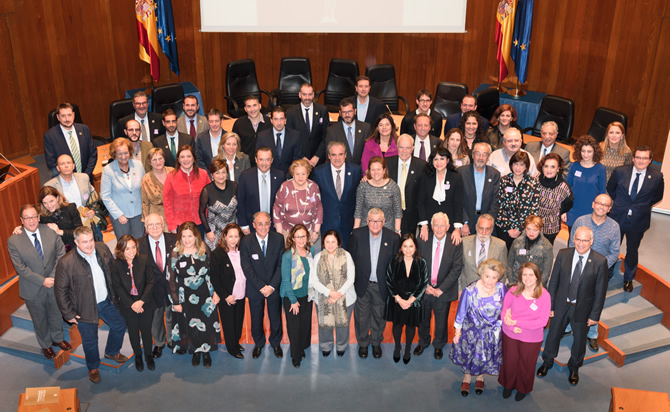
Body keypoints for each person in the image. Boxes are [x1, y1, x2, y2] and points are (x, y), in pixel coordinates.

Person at [55, 226, 129, 383]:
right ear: (76, 242)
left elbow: (113, 272)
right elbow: (60, 291)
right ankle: (93, 367)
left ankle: (112, 351)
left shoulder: (102, 248)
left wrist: (118, 294)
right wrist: (68, 314)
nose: (89, 245)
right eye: (84, 242)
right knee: (90, 341)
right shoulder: (66, 262)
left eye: (91, 240)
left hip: (107, 301)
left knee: (120, 325)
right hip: (84, 308)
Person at [537, 227, 609, 386]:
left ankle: (574, 367)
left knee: (579, 341)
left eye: (585, 240)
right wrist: (550, 306)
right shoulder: (563, 254)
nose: (581, 244)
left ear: (591, 241)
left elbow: (600, 292)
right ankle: (547, 361)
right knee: (553, 335)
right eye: (578, 239)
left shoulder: (600, 261)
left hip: (583, 309)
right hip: (561, 305)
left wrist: (594, 315)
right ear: (573, 239)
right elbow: (553, 282)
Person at [8, 204, 70, 360]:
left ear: (38, 217)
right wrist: (42, 281)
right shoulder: (14, 240)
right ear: (21, 220)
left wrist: (53, 277)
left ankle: (58, 338)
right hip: (32, 286)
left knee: (56, 313)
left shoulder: (49, 231)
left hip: (54, 282)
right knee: (39, 318)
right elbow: (20, 268)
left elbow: (61, 253)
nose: (31, 221)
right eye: (27, 218)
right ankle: (46, 344)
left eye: (34, 217)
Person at [607, 145, 664, 292]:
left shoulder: (657, 177)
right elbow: (611, 188)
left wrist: (641, 206)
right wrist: (621, 203)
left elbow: (657, 197)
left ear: (650, 160)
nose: (641, 161)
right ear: (633, 158)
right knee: (612, 247)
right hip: (618, 217)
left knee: (632, 250)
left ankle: (628, 278)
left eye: (645, 158)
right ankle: (607, 273)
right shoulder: (620, 171)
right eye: (638, 157)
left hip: (639, 220)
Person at [568, 194, 620, 351]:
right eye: (599, 203)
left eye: (605, 205)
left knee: (595, 302)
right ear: (593, 204)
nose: (601, 207)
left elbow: (614, 252)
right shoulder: (580, 221)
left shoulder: (614, 227)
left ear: (609, 209)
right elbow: (571, 244)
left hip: (599, 273)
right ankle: (567, 327)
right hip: (578, 268)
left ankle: (591, 334)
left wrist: (600, 268)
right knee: (571, 297)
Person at [348, 209, 400, 359]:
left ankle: (376, 342)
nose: (375, 224)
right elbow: (350, 260)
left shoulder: (393, 238)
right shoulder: (356, 235)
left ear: (384, 222)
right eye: (372, 220)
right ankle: (363, 344)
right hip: (362, 284)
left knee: (379, 316)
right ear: (367, 221)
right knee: (361, 317)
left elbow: (396, 265)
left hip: (382, 285)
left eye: (378, 221)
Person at [450, 259, 506, 397]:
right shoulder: (470, 290)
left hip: (491, 333)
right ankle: (467, 377)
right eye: (487, 276)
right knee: (470, 355)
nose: (490, 281)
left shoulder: (501, 288)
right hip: (472, 331)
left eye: (494, 277)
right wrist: (457, 333)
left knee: (484, 355)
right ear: (481, 274)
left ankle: (480, 377)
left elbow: (507, 309)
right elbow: (461, 313)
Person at [167, 221, 220, 368]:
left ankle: (206, 351)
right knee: (190, 325)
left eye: (190, 236)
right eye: (184, 236)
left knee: (206, 323)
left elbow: (214, 272)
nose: (187, 240)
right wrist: (175, 301)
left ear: (196, 236)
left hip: (205, 295)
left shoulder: (204, 249)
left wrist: (216, 292)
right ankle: (195, 351)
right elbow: (170, 279)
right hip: (185, 296)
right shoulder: (175, 252)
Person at [499, 262, 551, 401]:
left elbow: (542, 322)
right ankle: (508, 385)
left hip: (531, 337)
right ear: (520, 277)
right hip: (510, 334)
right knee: (510, 362)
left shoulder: (544, 295)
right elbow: (504, 312)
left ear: (537, 277)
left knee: (526, 364)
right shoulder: (513, 291)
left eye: (531, 275)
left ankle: (522, 388)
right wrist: (511, 326)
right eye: (524, 275)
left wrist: (517, 323)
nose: (527, 278)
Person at [415, 212, 463, 360]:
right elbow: (416, 264)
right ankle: (423, 342)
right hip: (425, 289)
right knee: (423, 319)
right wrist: (425, 286)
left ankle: (438, 345)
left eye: (442, 225)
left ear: (448, 227)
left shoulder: (455, 242)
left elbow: (456, 268)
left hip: (444, 290)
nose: (439, 229)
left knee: (441, 321)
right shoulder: (422, 239)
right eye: (436, 225)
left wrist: (441, 289)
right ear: (431, 226)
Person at [240, 212, 285, 359]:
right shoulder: (246, 241)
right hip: (255, 288)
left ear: (270, 224)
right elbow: (246, 267)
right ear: (253, 225)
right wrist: (261, 286)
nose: (263, 227)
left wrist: (271, 286)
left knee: (275, 317)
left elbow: (281, 264)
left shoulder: (279, 239)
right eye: (260, 224)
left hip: (274, 286)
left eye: (266, 223)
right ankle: (258, 344)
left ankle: (276, 344)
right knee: (256, 318)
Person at [110, 235, 156, 372]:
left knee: (146, 331)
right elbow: (118, 287)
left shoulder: (144, 259)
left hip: (145, 302)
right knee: (133, 332)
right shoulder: (116, 264)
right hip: (128, 305)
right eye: (127, 249)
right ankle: (138, 356)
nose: (131, 251)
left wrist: (141, 302)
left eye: (133, 247)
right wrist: (133, 304)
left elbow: (150, 282)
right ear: (121, 250)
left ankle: (148, 355)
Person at [309, 230, 356, 357]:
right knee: (325, 325)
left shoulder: (346, 255)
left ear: (338, 243)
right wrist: (330, 293)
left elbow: (351, 279)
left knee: (342, 325)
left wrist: (337, 294)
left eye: (333, 242)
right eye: (327, 242)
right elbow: (314, 280)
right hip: (323, 297)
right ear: (323, 243)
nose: (330, 245)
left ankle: (341, 345)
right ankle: (326, 345)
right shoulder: (318, 257)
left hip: (346, 297)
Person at [138, 214, 178, 358]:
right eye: (151, 225)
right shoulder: (138, 244)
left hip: (172, 287)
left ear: (163, 225)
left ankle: (173, 341)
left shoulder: (175, 239)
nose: (154, 227)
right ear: (146, 227)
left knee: (172, 316)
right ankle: (159, 343)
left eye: (157, 224)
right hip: (152, 289)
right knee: (156, 318)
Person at [386, 233, 429, 364]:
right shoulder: (394, 260)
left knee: (411, 326)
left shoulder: (421, 262)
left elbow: (424, 283)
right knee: (397, 325)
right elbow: (389, 281)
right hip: (397, 300)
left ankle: (408, 349)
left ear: (415, 247)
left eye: (411, 246)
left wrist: (410, 301)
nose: (408, 249)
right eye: (405, 246)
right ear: (401, 247)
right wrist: (399, 299)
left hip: (413, 301)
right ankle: (397, 347)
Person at [44, 154, 108, 240]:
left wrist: (93, 210)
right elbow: (48, 210)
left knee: (98, 243)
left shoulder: (84, 177)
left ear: (73, 166)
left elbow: (94, 198)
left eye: (68, 163)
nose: (66, 166)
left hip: (87, 220)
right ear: (58, 168)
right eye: (62, 164)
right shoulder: (50, 186)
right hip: (68, 226)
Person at [311, 141, 361, 248]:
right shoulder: (319, 172)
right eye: (333, 155)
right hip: (327, 223)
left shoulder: (355, 170)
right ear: (329, 156)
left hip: (349, 224)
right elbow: (315, 198)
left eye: (340, 154)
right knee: (328, 255)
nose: (337, 158)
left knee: (347, 255)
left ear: (345, 155)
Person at [280, 224, 315, 368]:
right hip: (291, 296)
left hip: (307, 295)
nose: (301, 239)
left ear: (307, 237)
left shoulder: (311, 251)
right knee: (294, 327)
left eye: (303, 236)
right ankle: (295, 356)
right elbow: (286, 280)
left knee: (305, 325)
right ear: (293, 238)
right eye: (298, 237)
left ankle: (301, 348)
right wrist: (293, 301)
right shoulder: (288, 255)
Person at [210, 223, 247, 359]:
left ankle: (235, 343)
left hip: (241, 293)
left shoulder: (242, 251)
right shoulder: (217, 254)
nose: (233, 240)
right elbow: (214, 278)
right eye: (230, 236)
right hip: (227, 296)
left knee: (238, 322)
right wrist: (225, 296)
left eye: (236, 236)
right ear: (224, 236)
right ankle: (232, 348)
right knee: (229, 324)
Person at [417, 147, 464, 244]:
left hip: (449, 223)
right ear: (432, 161)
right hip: (429, 223)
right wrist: (424, 225)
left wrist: (457, 228)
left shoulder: (456, 178)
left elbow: (458, 204)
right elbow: (420, 203)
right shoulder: (425, 177)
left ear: (448, 160)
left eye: (442, 159)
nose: (439, 162)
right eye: (436, 159)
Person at [101, 137, 145, 239]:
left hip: (138, 213)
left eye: (126, 153)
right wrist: (118, 214)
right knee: (124, 244)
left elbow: (144, 188)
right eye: (120, 154)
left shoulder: (138, 165)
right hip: (120, 215)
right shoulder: (108, 170)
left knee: (139, 242)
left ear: (130, 152)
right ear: (114, 154)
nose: (124, 156)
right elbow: (105, 196)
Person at [495, 151, 539, 250]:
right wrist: (508, 228)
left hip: (524, 229)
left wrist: (520, 228)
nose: (518, 168)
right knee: (503, 254)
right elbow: (498, 205)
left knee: (520, 255)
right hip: (504, 227)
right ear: (511, 165)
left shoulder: (533, 183)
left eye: (521, 165)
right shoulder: (504, 181)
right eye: (515, 164)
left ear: (526, 166)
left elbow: (534, 209)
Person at [273, 159, 322, 247]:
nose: (300, 177)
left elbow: (318, 209)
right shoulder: (285, 186)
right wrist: (279, 231)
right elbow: (276, 208)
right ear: (292, 174)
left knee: (305, 255)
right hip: (287, 232)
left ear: (308, 174)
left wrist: (316, 231)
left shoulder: (313, 187)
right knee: (289, 255)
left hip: (308, 232)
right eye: (297, 174)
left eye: (303, 174)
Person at [236, 147, 286, 235]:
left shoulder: (280, 176)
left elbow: (283, 202)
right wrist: (244, 225)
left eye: (267, 160)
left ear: (272, 160)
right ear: (256, 160)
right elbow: (241, 202)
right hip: (252, 225)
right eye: (261, 159)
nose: (264, 163)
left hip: (274, 225)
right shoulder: (245, 176)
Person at [163, 145, 211, 234]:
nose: (186, 159)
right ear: (178, 160)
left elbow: (211, 198)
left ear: (194, 158)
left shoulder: (203, 174)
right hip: (181, 224)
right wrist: (172, 225)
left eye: (189, 156)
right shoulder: (171, 177)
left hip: (201, 223)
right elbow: (167, 203)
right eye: (182, 157)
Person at [386, 134, 427, 235]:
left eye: (408, 148)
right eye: (401, 147)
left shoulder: (422, 165)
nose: (404, 151)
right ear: (397, 147)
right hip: (390, 213)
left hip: (412, 215)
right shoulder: (387, 163)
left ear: (413, 148)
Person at [43, 102, 97, 179]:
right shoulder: (49, 136)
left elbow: (93, 154)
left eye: (69, 115)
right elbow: (52, 164)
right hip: (66, 180)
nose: (67, 119)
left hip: (86, 177)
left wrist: (86, 175)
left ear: (73, 115)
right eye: (63, 116)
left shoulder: (84, 129)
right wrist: (69, 179)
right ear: (58, 117)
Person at [565, 135, 607, 232]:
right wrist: (564, 210)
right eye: (583, 151)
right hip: (573, 209)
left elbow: (602, 192)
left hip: (590, 210)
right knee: (572, 237)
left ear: (594, 152)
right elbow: (567, 189)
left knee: (588, 237)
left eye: (589, 151)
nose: (586, 154)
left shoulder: (600, 169)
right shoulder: (574, 166)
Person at [460, 142, 501, 236]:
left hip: (486, 220)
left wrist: (488, 221)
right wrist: (464, 222)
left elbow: (496, 200)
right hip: (467, 221)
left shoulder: (494, 174)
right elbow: (458, 200)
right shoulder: (461, 172)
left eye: (484, 154)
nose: (481, 158)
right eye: (478, 154)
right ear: (472, 155)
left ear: (488, 157)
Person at [354, 156, 403, 233]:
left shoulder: (393, 186)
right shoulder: (363, 186)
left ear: (384, 170)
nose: (376, 172)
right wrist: (355, 230)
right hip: (366, 229)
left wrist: (397, 231)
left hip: (388, 229)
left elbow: (397, 212)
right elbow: (358, 211)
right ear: (369, 171)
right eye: (373, 170)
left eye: (378, 169)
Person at [287, 83, 331, 166]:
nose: (307, 98)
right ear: (300, 95)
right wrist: (302, 157)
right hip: (299, 160)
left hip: (318, 160)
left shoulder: (322, 110)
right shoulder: (291, 112)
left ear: (313, 95)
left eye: (310, 94)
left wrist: (317, 156)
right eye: (304, 94)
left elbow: (326, 136)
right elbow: (290, 137)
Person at [460, 214, 509, 290]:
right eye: (481, 228)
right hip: (467, 290)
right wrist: (460, 290)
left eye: (487, 229)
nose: (483, 232)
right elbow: (458, 269)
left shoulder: (501, 245)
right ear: (476, 227)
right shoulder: (464, 243)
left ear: (492, 230)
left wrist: (497, 290)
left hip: (491, 291)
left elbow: (503, 272)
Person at [199, 159, 238, 250]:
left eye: (223, 172)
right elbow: (201, 212)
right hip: (214, 233)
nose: (221, 176)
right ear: (212, 175)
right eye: (217, 173)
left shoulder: (234, 186)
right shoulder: (207, 190)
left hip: (232, 231)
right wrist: (208, 231)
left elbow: (240, 208)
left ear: (227, 173)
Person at [536, 153, 574, 245]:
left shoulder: (563, 187)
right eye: (546, 166)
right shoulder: (536, 179)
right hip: (534, 225)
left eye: (553, 167)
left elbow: (569, 203)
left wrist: (560, 212)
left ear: (558, 169)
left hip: (550, 227)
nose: (549, 170)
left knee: (546, 251)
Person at [507, 215, 554, 287]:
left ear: (540, 229)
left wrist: (535, 287)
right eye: (529, 229)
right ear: (525, 228)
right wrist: (512, 283)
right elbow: (510, 264)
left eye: (535, 230)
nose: (531, 233)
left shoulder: (547, 246)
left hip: (536, 285)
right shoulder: (517, 242)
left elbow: (546, 272)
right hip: (516, 282)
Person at [256, 106, 302, 175]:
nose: (279, 123)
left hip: (289, 176)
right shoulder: (262, 136)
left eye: (281, 119)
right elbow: (259, 158)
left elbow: (297, 159)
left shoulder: (295, 135)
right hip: (269, 175)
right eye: (276, 119)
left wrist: (289, 176)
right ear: (271, 120)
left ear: (285, 120)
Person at [325, 98, 371, 166]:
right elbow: (329, 154)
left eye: (350, 111)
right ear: (340, 113)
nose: (347, 115)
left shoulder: (365, 128)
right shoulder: (332, 130)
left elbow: (369, 152)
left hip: (362, 169)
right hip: (341, 169)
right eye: (344, 112)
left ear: (355, 111)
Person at [232, 95, 272, 162]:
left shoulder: (270, 123)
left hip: (265, 162)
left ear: (260, 106)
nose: (252, 109)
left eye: (254, 105)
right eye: (249, 106)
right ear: (245, 109)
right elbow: (234, 144)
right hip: (245, 162)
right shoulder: (239, 124)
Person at [141, 148, 174, 227]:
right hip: (157, 216)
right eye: (154, 160)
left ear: (164, 159)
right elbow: (145, 203)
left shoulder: (173, 172)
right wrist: (147, 220)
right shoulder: (146, 179)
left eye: (160, 158)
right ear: (150, 162)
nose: (158, 162)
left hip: (174, 213)